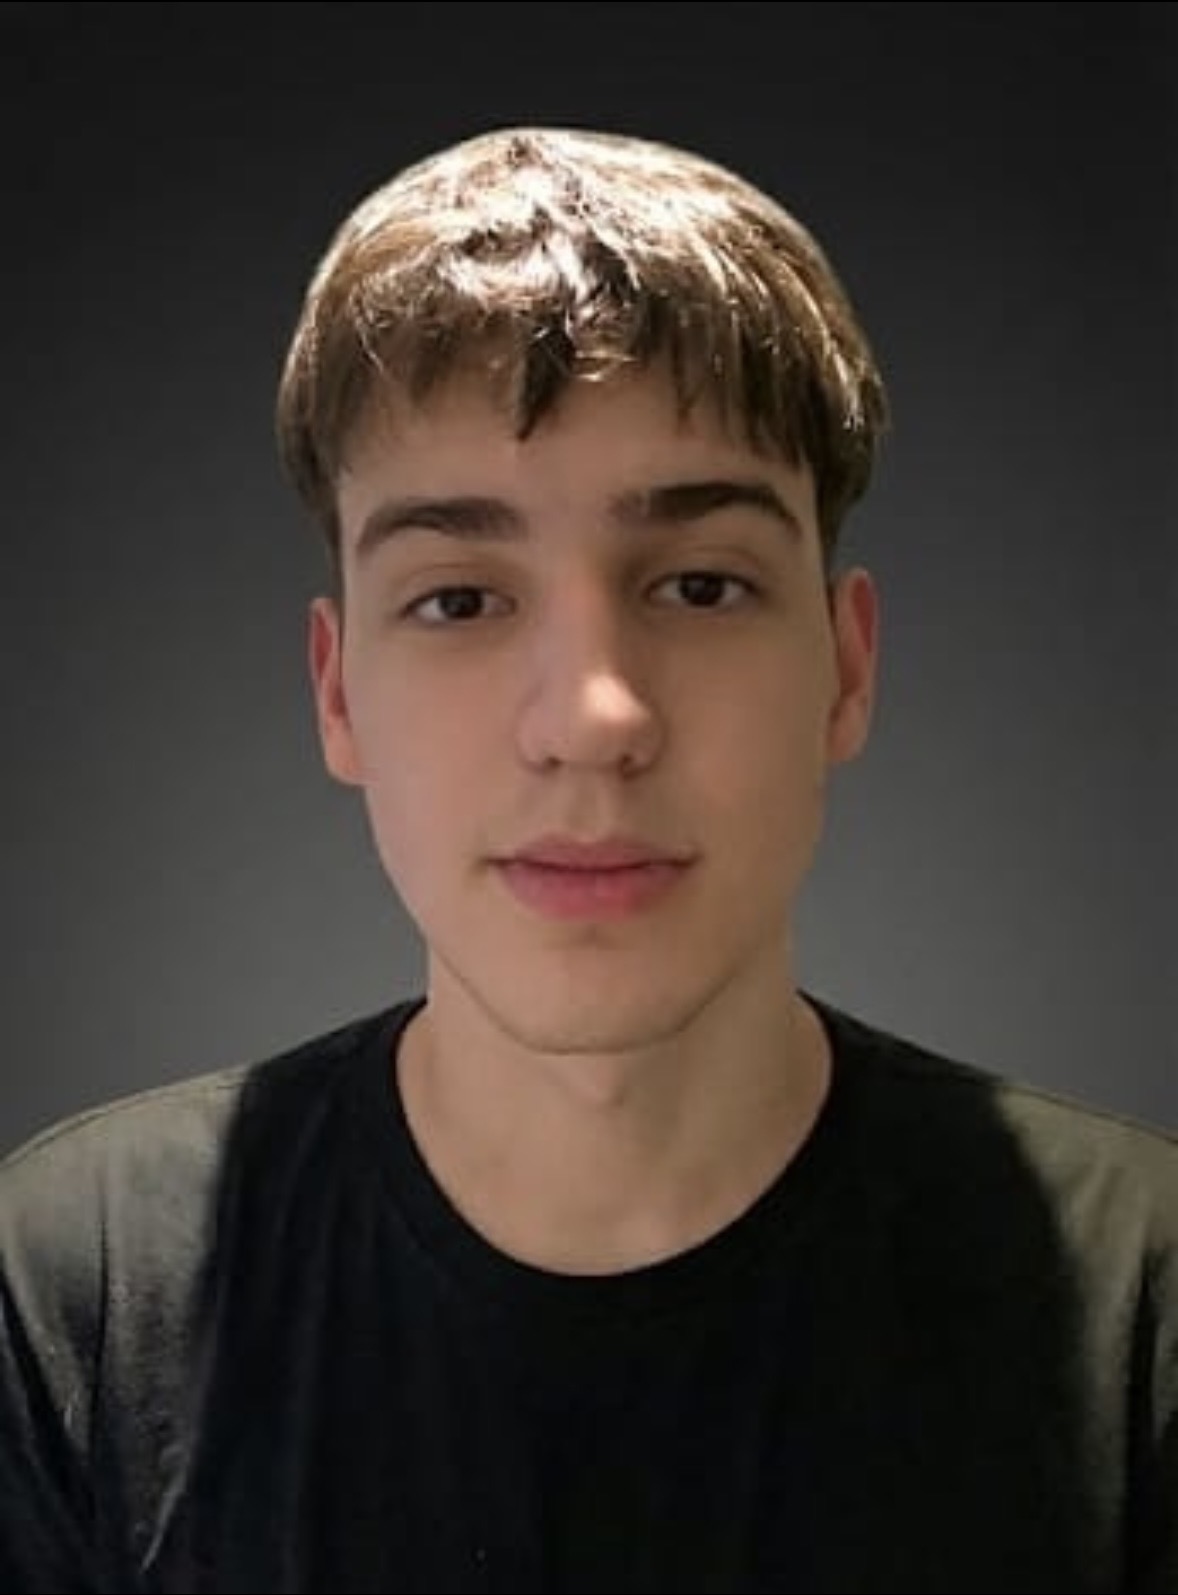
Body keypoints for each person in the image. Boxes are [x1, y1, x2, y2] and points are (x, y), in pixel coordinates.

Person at [1, 123, 1175, 1595]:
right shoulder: (78, 1289)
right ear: (338, 694)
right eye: (458, 599)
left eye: (701, 585)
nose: (593, 718)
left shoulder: (1141, 1301)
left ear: (846, 667)